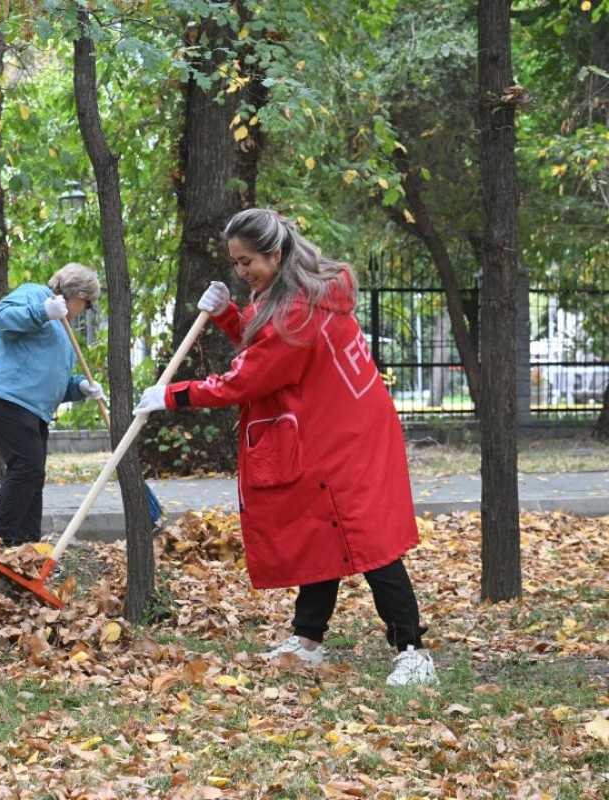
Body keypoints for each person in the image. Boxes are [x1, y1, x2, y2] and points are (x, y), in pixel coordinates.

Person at [133, 208, 437, 687]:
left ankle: (413, 651)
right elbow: (263, 341)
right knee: (322, 530)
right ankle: (308, 638)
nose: (241, 272)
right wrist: (228, 314)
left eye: (247, 261)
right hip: (335, 425)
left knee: (369, 541)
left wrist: (173, 395)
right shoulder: (298, 292)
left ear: (275, 253)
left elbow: (251, 375)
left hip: (346, 437)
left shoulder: (300, 312)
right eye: (235, 263)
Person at [0, 263, 103, 547]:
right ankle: (2, 541)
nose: (86, 309)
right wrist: (42, 312)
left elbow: (51, 380)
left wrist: (79, 387)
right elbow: (1, 319)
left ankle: (27, 544)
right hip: (6, 396)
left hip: (32, 408)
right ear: (78, 294)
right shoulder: (34, 294)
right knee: (26, 467)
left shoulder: (62, 328)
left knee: (34, 473)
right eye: (88, 303)